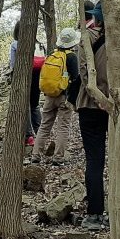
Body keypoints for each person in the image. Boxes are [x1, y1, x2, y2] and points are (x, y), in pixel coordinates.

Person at [77, 2, 109, 231]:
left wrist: (97, 96)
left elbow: (83, 72)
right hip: (117, 105)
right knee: (117, 159)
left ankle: (95, 214)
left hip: (90, 105)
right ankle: (116, 210)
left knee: (94, 160)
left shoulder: (86, 37)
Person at [33, 27, 81, 160]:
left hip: (49, 96)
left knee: (44, 125)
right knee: (63, 127)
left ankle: (35, 155)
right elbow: (76, 78)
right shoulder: (71, 57)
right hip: (64, 97)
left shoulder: (52, 55)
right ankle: (58, 158)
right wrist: (73, 99)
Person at [9, 21, 45, 146]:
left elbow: (13, 65)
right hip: (38, 76)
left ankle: (29, 136)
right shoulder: (39, 44)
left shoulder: (15, 44)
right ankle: (41, 134)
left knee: (26, 106)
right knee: (35, 105)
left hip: (23, 76)